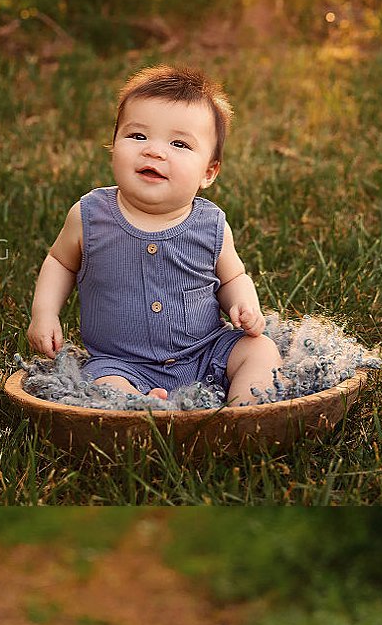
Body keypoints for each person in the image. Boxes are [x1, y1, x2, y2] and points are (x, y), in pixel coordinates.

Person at [27, 64, 283, 406]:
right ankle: (145, 409)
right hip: (121, 363)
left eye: (179, 143)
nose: (154, 150)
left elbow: (233, 275)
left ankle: (245, 414)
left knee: (260, 349)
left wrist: (244, 304)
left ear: (208, 172)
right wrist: (44, 314)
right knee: (103, 384)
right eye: (137, 136)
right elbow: (59, 262)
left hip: (206, 352)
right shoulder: (90, 216)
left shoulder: (211, 224)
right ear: (113, 146)